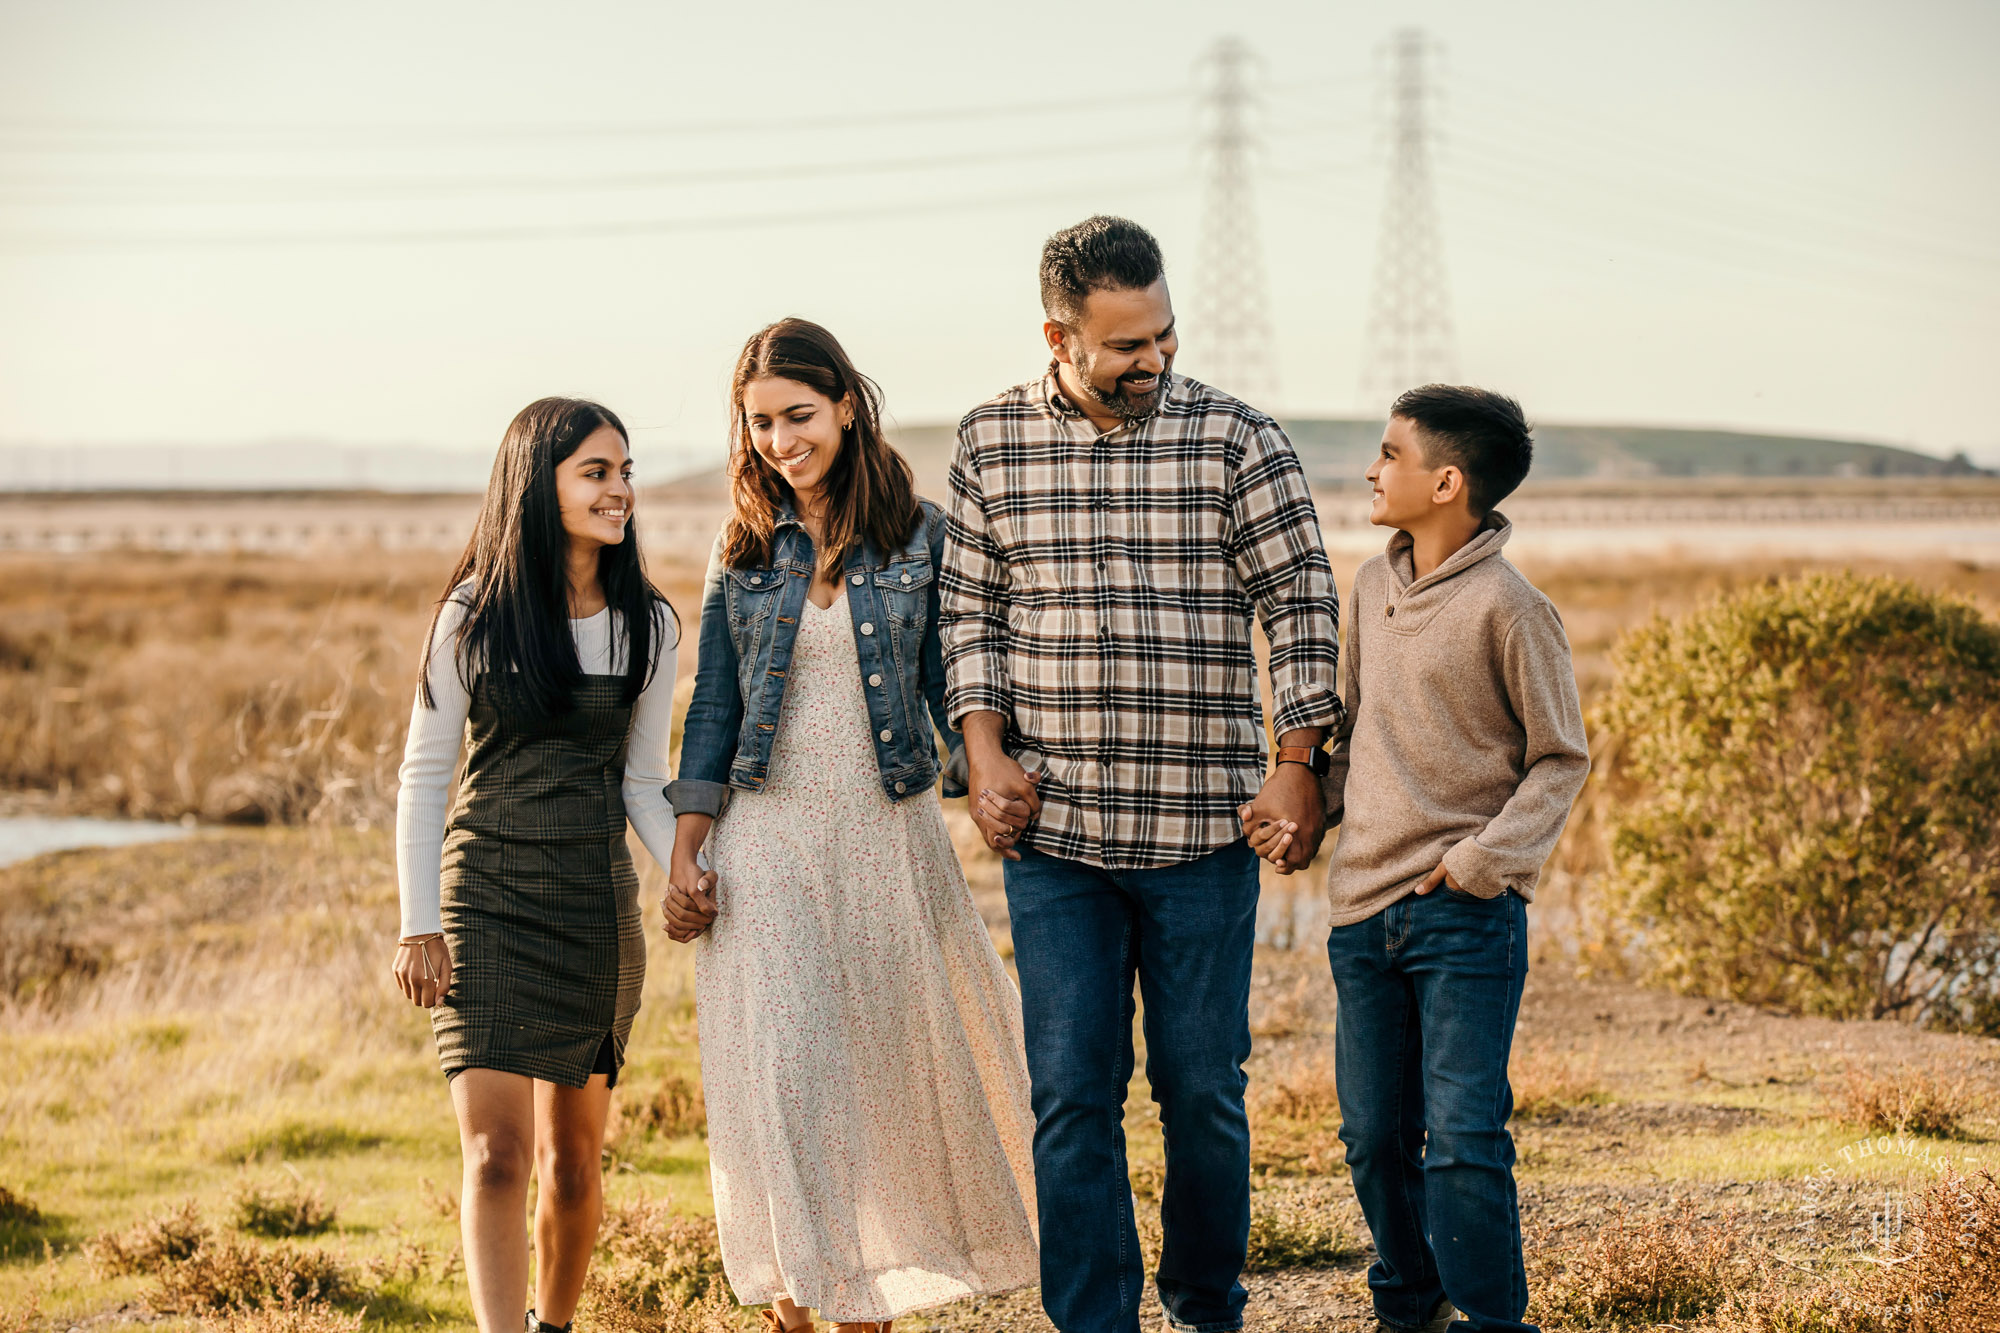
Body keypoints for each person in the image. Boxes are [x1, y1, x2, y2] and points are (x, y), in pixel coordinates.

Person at [940, 215, 1342, 1333]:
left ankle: (1206, 1306)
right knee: (1070, 1095)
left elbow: (1301, 602)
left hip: (1200, 835)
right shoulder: (988, 441)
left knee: (1201, 1090)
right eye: (1123, 345)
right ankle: (1094, 1320)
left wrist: (1296, 763)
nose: (1150, 361)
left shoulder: (1236, 439)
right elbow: (967, 611)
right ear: (1057, 335)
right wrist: (982, 753)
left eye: (1161, 335)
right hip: (1053, 837)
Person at [661, 318, 1038, 1333]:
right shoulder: (740, 548)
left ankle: (862, 1306)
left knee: (870, 1084)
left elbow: (946, 686)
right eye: (760, 425)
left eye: (797, 416)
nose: (781, 442)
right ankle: (801, 1302)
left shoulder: (921, 535)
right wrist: (687, 846)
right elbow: (712, 707)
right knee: (787, 1080)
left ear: (845, 406)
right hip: (766, 838)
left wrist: (989, 778)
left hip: (884, 836)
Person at [1254, 385, 1589, 1333]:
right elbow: (1358, 734)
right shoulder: (1370, 585)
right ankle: (1411, 1304)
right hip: (1362, 913)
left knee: (1466, 1141)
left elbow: (1560, 759)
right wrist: (1307, 811)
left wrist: (1484, 862)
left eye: (1391, 454)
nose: (1372, 468)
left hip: (1464, 915)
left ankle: (1491, 1319)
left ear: (1447, 481)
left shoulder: (1514, 610)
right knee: (1371, 1139)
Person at [391, 398, 680, 1333]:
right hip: (486, 906)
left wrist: (688, 872)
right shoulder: (473, 611)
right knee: (494, 1157)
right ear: (538, 479)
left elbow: (645, 784)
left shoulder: (651, 624)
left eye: (625, 471)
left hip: (595, 913)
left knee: (573, 1164)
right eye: (596, 472)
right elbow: (426, 774)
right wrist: (418, 919)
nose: (620, 490)